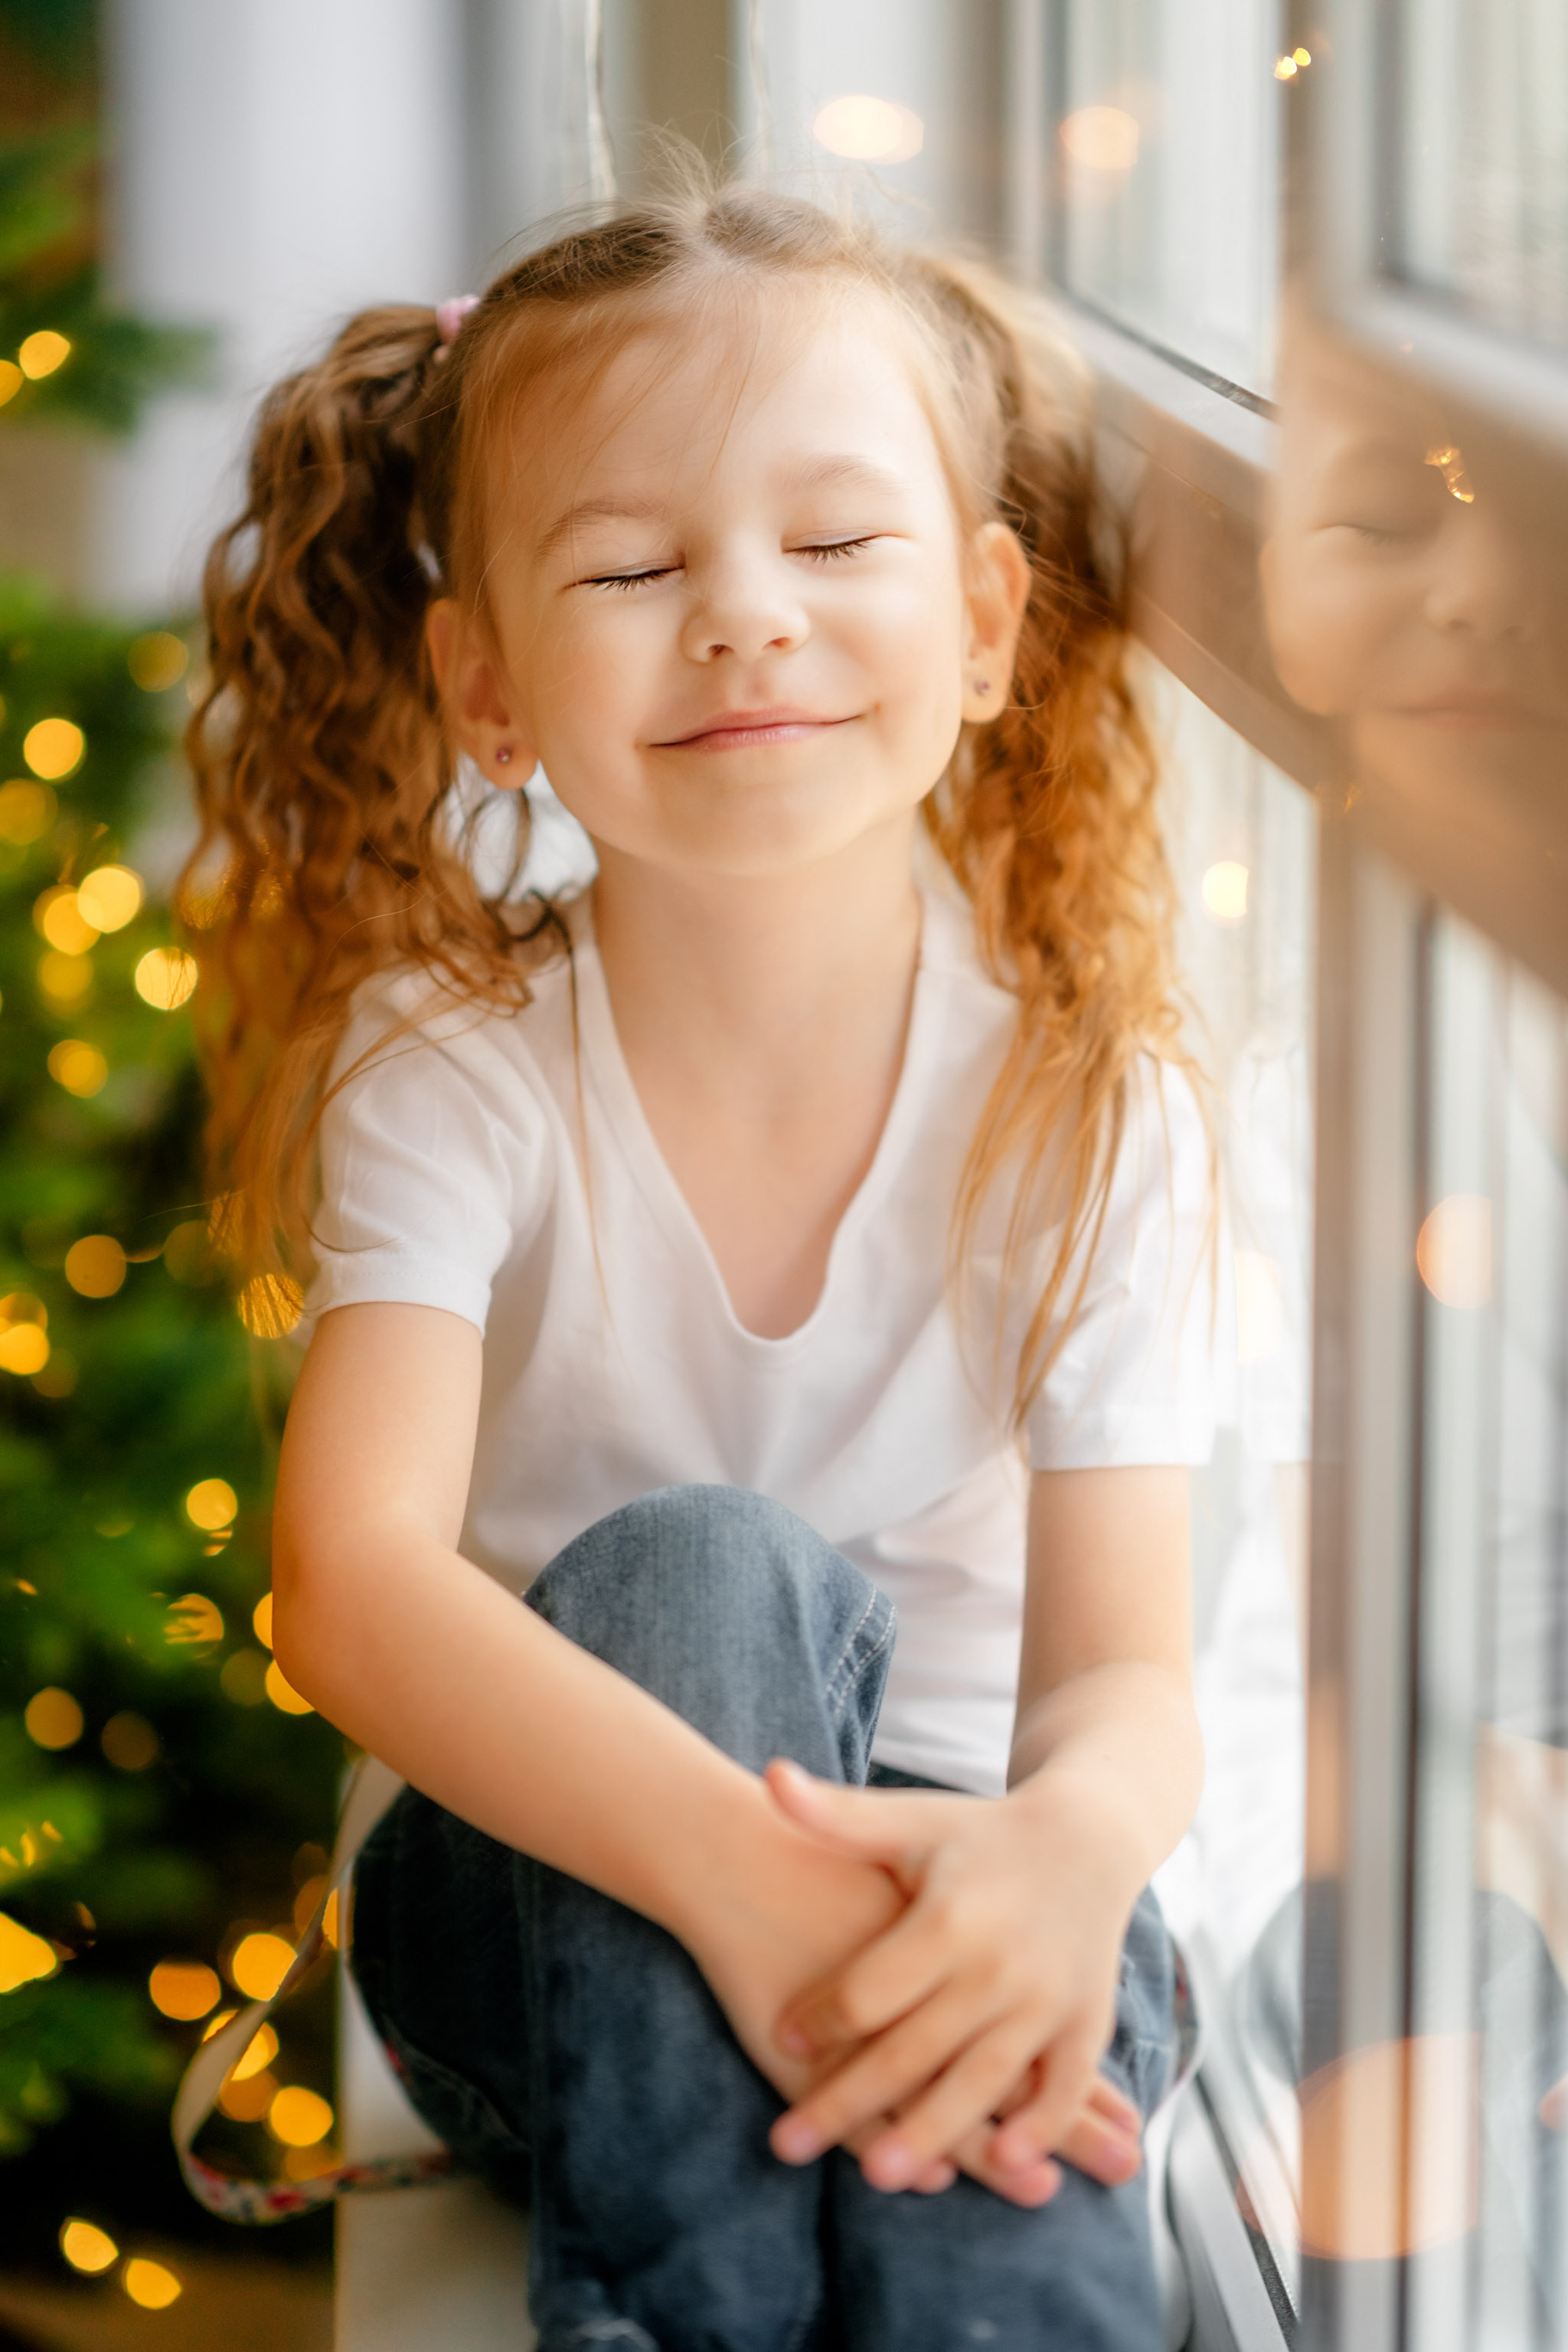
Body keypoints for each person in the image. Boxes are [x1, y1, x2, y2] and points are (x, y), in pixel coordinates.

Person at [186, 178, 1215, 2350]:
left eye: (835, 546)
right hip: (547, 1909)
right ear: (487, 684)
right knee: (703, 1566)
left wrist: (1060, 1860)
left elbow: (1122, 1681)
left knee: (1004, 2203)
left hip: (961, 1890)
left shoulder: (1087, 1101)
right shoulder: (453, 1072)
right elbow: (351, 1591)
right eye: (639, 568)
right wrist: (740, 1882)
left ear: (993, 620)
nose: (745, 616)